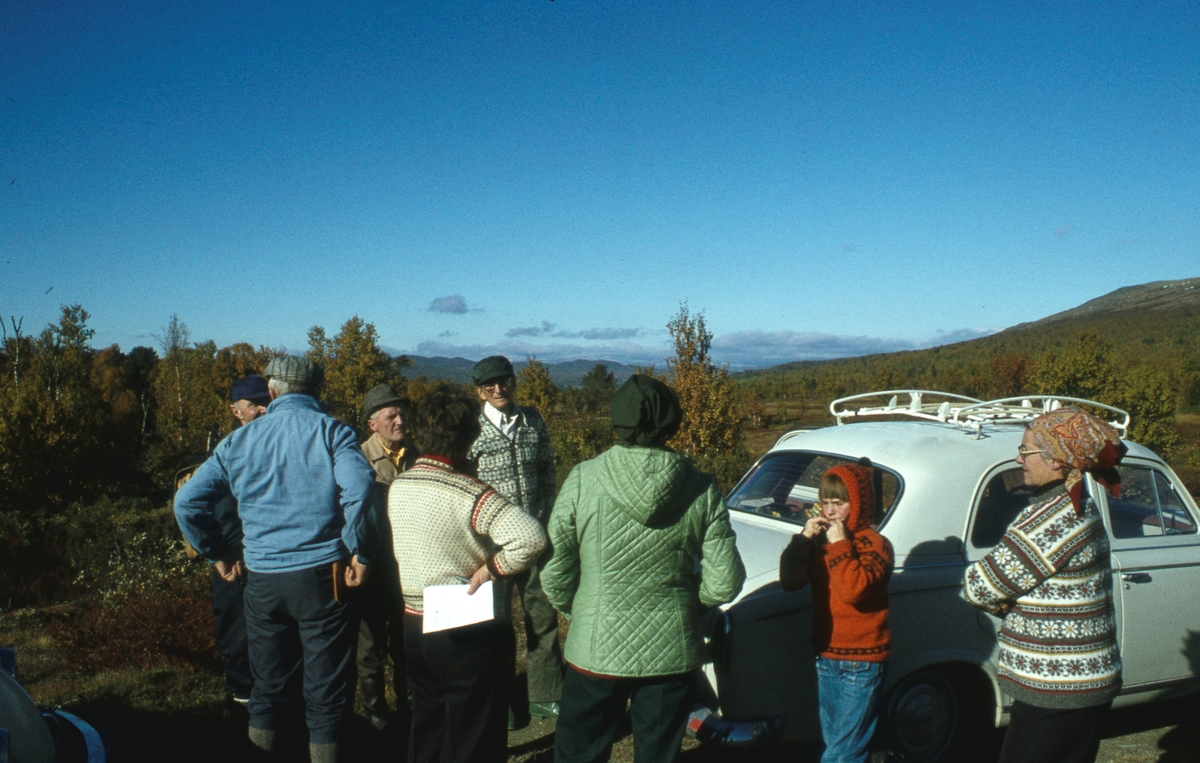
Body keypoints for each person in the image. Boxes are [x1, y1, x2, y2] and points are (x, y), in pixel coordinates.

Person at [175, 356, 377, 763]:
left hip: (261, 578)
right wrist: (363, 552)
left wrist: (217, 552)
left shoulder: (237, 441)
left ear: (271, 392)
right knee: (326, 690)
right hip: (323, 577)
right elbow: (360, 491)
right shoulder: (333, 431)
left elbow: (186, 502)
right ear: (316, 391)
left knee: (266, 687)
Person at [542, 375, 746, 763]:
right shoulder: (701, 486)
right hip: (671, 646)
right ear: (672, 423)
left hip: (595, 644)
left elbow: (554, 570)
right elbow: (725, 583)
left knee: (578, 754)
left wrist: (582, 608)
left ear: (617, 421)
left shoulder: (583, 478)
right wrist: (686, 603)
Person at [389, 383, 547, 763]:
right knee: (475, 731)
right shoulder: (471, 493)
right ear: (471, 436)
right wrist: (492, 568)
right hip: (466, 627)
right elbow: (532, 538)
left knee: (427, 723)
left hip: (414, 625)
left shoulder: (399, 485)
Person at [964, 406, 1126, 763]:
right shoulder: (1078, 507)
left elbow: (979, 586)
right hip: (1080, 684)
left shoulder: (1051, 518)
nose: (1018, 458)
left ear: (1056, 460)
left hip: (1057, 689)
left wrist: (1001, 599)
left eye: (1025, 450)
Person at [466, 355, 565, 721]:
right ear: (479, 391)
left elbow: (547, 469)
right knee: (495, 625)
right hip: (491, 545)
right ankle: (503, 702)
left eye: (504, 381)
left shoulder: (532, 419)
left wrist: (546, 516)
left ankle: (546, 693)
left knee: (542, 617)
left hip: (535, 539)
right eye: (489, 385)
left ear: (512, 381)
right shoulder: (472, 428)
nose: (498, 389)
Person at [778, 459, 893, 763]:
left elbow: (854, 590)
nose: (829, 511)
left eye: (839, 503)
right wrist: (803, 540)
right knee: (838, 743)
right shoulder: (820, 543)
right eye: (825, 502)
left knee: (843, 752)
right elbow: (790, 582)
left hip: (863, 663)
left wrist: (841, 544)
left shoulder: (876, 545)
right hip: (827, 656)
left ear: (857, 504)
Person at [356, 383, 417, 731]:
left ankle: (410, 712)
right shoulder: (357, 460)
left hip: (409, 568)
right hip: (373, 568)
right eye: (390, 415)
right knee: (370, 647)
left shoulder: (417, 455)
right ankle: (376, 717)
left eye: (402, 413)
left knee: (407, 643)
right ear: (372, 424)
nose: (399, 420)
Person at [211, 373, 272, 705]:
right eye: (254, 405)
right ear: (237, 411)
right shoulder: (228, 452)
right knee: (238, 637)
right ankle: (241, 703)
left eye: (267, 402)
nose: (263, 410)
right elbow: (219, 515)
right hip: (235, 563)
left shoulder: (274, 447)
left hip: (266, 561)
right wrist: (228, 554)